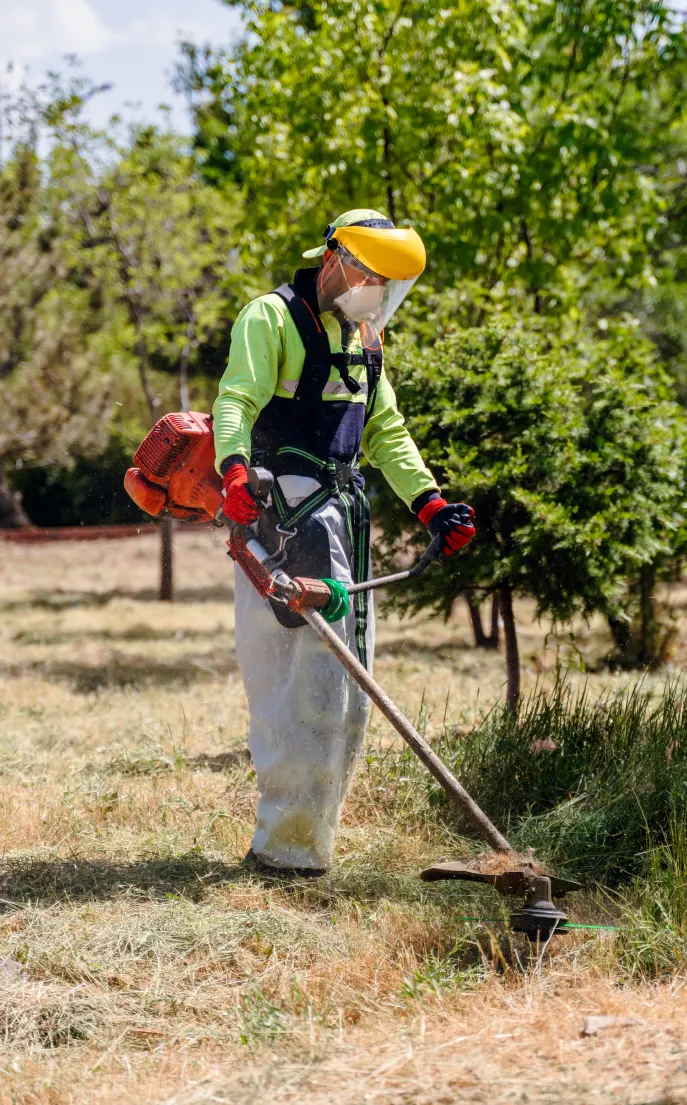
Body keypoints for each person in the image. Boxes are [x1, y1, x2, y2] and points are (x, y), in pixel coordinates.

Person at [213, 209, 476, 876]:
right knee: (295, 694)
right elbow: (236, 401)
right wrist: (235, 468)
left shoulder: (366, 339)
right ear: (333, 259)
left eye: (387, 284)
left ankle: (310, 847)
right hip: (280, 520)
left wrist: (431, 503)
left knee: (346, 700)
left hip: (341, 523)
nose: (376, 293)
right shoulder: (271, 319)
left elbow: (384, 432)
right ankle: (282, 853)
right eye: (369, 276)